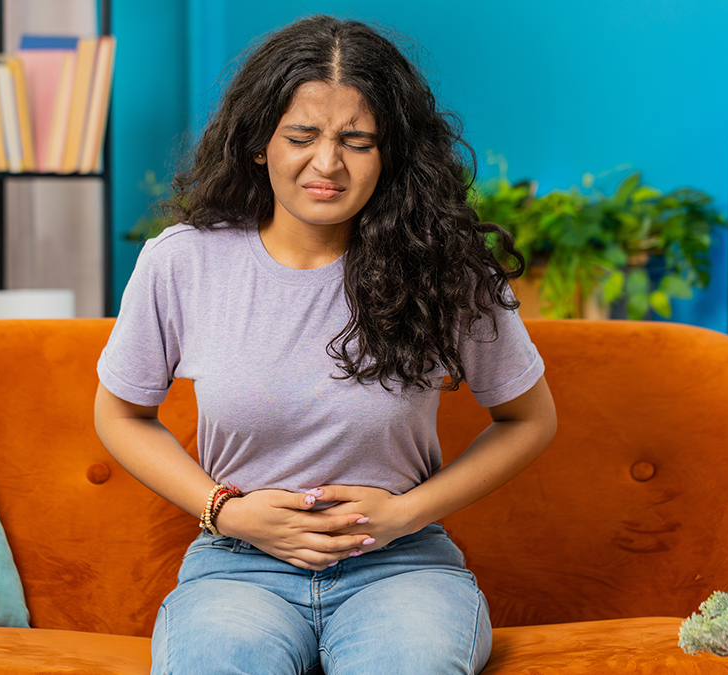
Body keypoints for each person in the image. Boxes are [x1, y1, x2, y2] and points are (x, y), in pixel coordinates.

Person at [94, 15, 556, 675]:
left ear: (390, 151)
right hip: (238, 569)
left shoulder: (445, 265)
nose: (327, 164)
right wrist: (228, 510)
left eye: (357, 140)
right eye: (301, 136)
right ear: (259, 143)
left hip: (403, 570)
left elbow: (530, 419)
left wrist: (403, 513)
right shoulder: (183, 261)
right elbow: (118, 413)